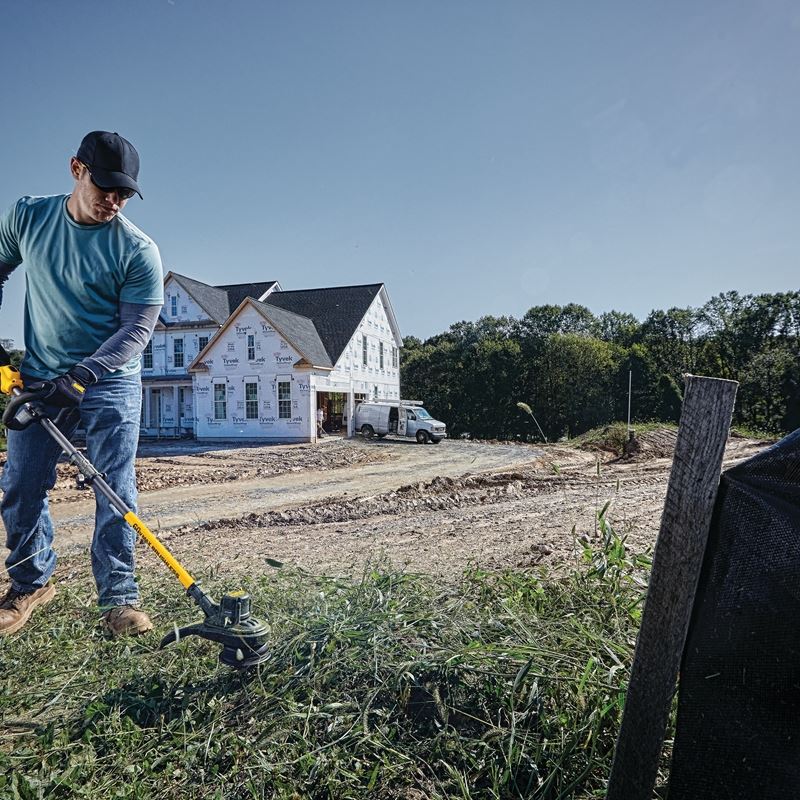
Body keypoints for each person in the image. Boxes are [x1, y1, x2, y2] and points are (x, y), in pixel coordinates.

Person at [0, 131, 164, 638]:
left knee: (114, 486)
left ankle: (118, 599)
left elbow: (136, 330)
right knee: (22, 485)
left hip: (108, 380)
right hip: (40, 372)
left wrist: (81, 378)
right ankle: (30, 584)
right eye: (104, 187)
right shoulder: (29, 217)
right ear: (77, 169)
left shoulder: (137, 250)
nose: (111, 201)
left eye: (123, 194)